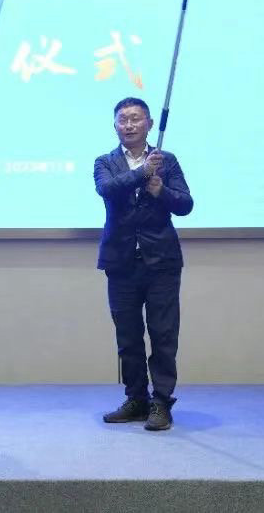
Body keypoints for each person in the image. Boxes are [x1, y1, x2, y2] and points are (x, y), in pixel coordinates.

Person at [93, 97, 194, 431]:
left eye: (136, 118)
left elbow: (185, 205)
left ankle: (161, 402)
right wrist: (141, 173)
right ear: (115, 126)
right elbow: (108, 190)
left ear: (149, 124)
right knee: (128, 337)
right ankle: (136, 398)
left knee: (164, 334)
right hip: (121, 262)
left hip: (161, 261)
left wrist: (160, 189)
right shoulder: (105, 162)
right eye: (123, 119)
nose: (129, 125)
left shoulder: (166, 161)